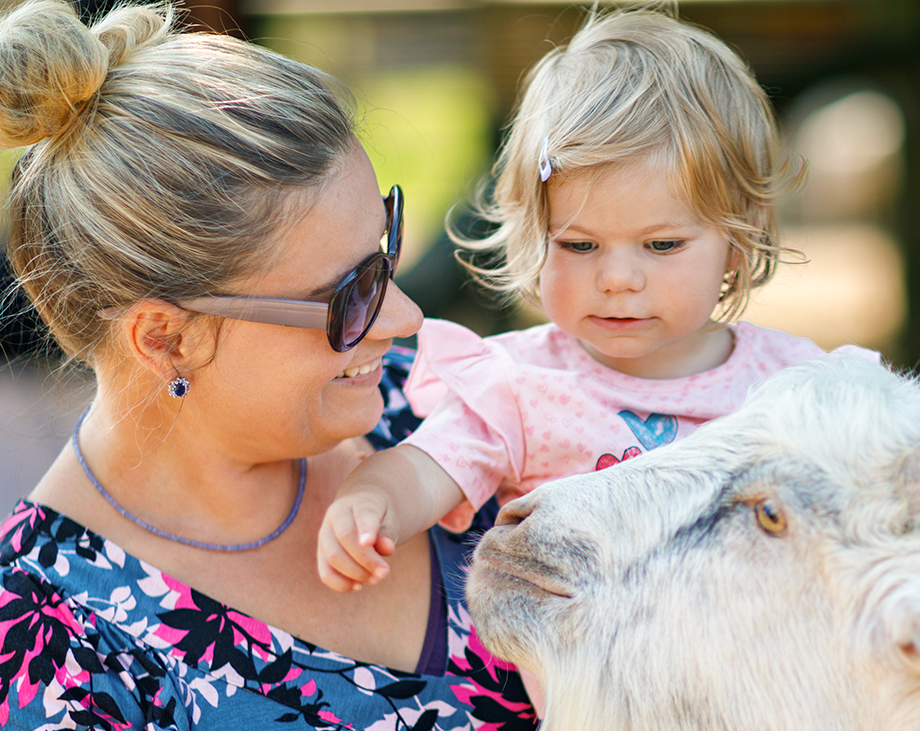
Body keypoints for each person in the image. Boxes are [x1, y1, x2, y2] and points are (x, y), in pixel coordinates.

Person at [0, 2, 537, 731]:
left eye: (384, 246)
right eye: (347, 296)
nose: (406, 315)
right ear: (164, 338)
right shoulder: (26, 647)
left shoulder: (445, 420)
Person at [315, 7, 877, 594]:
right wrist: (371, 502)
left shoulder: (792, 385)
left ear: (736, 243)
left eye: (661, 244)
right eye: (580, 245)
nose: (616, 279)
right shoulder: (521, 388)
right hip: (598, 674)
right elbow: (424, 469)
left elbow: (897, 463)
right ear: (534, 237)